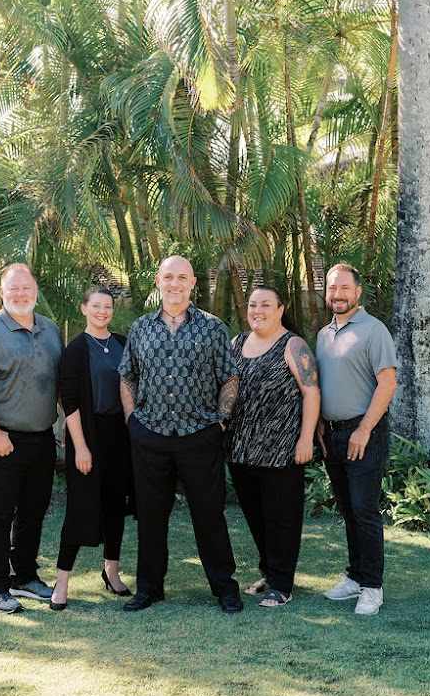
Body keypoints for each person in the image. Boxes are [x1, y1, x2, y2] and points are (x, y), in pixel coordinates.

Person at [118, 255, 243, 613]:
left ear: (192, 284)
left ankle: (224, 588)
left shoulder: (212, 328)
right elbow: (127, 375)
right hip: (151, 435)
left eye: (182, 277)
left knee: (209, 515)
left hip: (199, 435)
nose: (175, 283)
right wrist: (132, 421)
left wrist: (219, 420)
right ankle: (149, 588)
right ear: (158, 281)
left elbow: (229, 376)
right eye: (168, 277)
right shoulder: (142, 328)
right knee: (151, 516)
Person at [0, 263, 63, 613]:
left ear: (35, 290)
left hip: (41, 438)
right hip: (1, 438)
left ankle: (25, 577)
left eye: (26, 288)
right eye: (13, 289)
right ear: (2, 294)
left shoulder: (50, 330)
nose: (20, 294)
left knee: (34, 511)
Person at [226, 287, 320, 607]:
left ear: (280, 309)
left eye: (266, 304)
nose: (258, 310)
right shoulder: (237, 344)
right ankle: (269, 571)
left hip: (282, 450)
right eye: (253, 304)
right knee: (256, 517)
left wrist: (305, 439)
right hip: (241, 450)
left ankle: (282, 585)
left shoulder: (292, 345)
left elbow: (311, 393)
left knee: (283, 519)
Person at [316, 263, 397, 616]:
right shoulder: (323, 334)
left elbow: (388, 383)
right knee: (348, 509)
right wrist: (319, 424)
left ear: (358, 292)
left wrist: (363, 429)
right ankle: (354, 576)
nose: (338, 294)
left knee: (364, 510)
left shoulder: (373, 330)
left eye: (344, 288)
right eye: (332, 288)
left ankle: (372, 588)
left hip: (364, 433)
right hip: (332, 435)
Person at [50, 287, 134, 610]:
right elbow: (69, 403)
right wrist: (81, 448)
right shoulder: (75, 350)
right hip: (87, 435)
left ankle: (111, 571)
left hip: (119, 436)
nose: (102, 311)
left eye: (107, 306)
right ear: (84, 308)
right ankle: (61, 582)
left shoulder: (122, 344)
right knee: (80, 507)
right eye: (96, 306)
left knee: (115, 506)